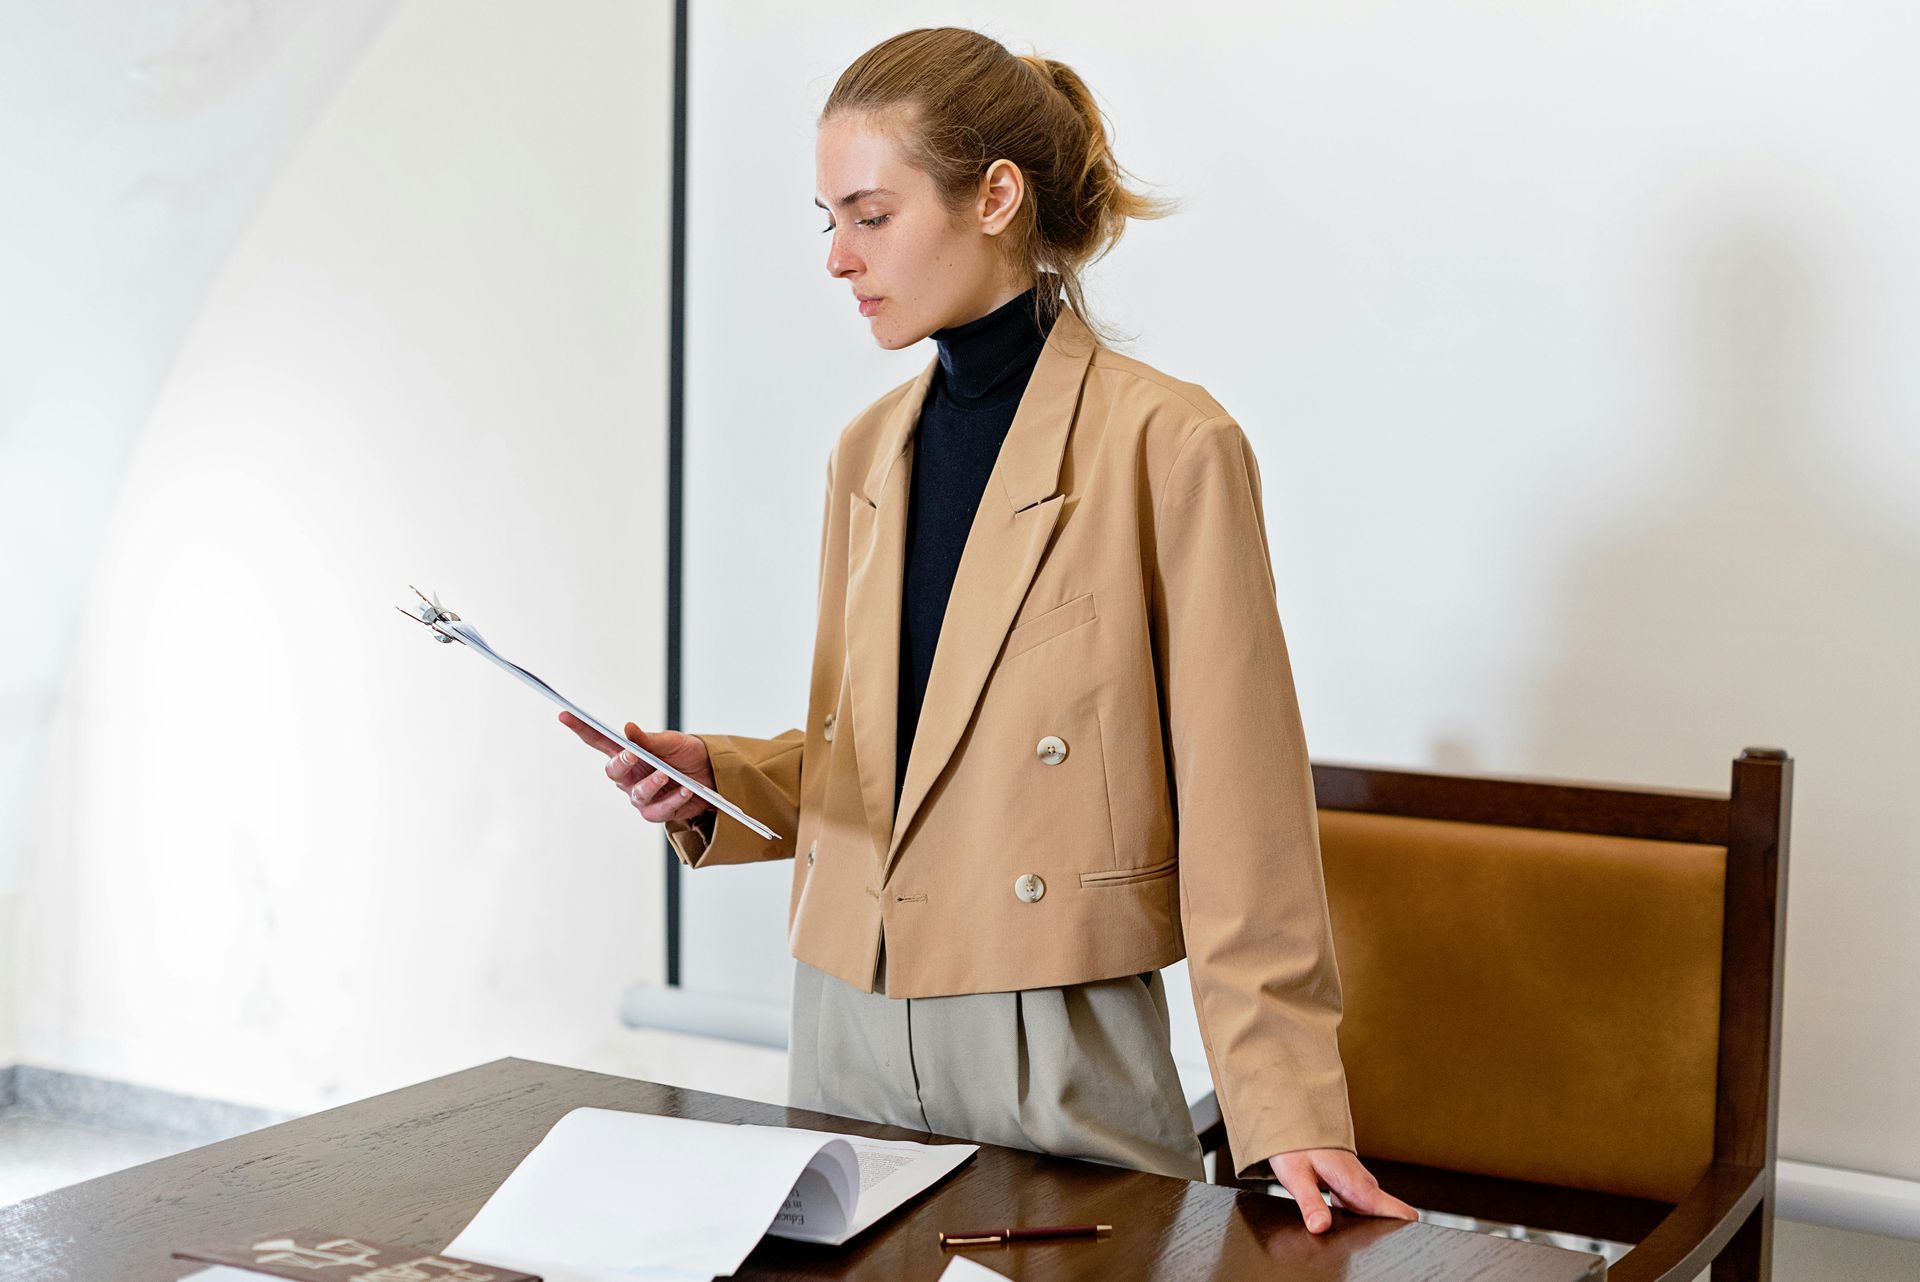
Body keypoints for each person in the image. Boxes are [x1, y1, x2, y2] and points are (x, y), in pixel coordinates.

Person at [560, 26, 1417, 1234]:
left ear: (997, 197)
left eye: (869, 214)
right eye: (828, 221)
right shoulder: (866, 454)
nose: (839, 257)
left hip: (1049, 1034)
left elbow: (1245, 802)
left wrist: (1285, 1108)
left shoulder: (1169, 446)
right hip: (846, 1014)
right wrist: (722, 780)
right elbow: (893, 757)